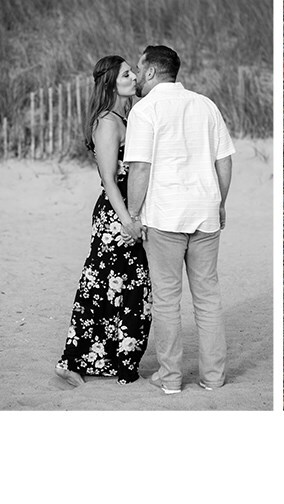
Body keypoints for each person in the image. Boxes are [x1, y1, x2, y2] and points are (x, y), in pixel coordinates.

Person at [125, 45, 235, 395]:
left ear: (153, 72)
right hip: (205, 212)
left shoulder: (145, 110)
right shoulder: (205, 105)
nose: (138, 76)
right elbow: (225, 162)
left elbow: (140, 167)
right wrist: (220, 202)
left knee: (167, 300)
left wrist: (133, 213)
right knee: (208, 297)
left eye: (140, 69)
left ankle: (170, 377)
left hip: (165, 217)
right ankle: (214, 377)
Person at [55, 55, 152, 387]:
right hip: (116, 216)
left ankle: (113, 360)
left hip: (127, 213)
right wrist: (128, 221)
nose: (134, 76)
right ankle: (73, 361)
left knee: (126, 288)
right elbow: (109, 179)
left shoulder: (122, 116)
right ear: (111, 82)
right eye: (127, 73)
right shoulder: (108, 122)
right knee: (103, 288)